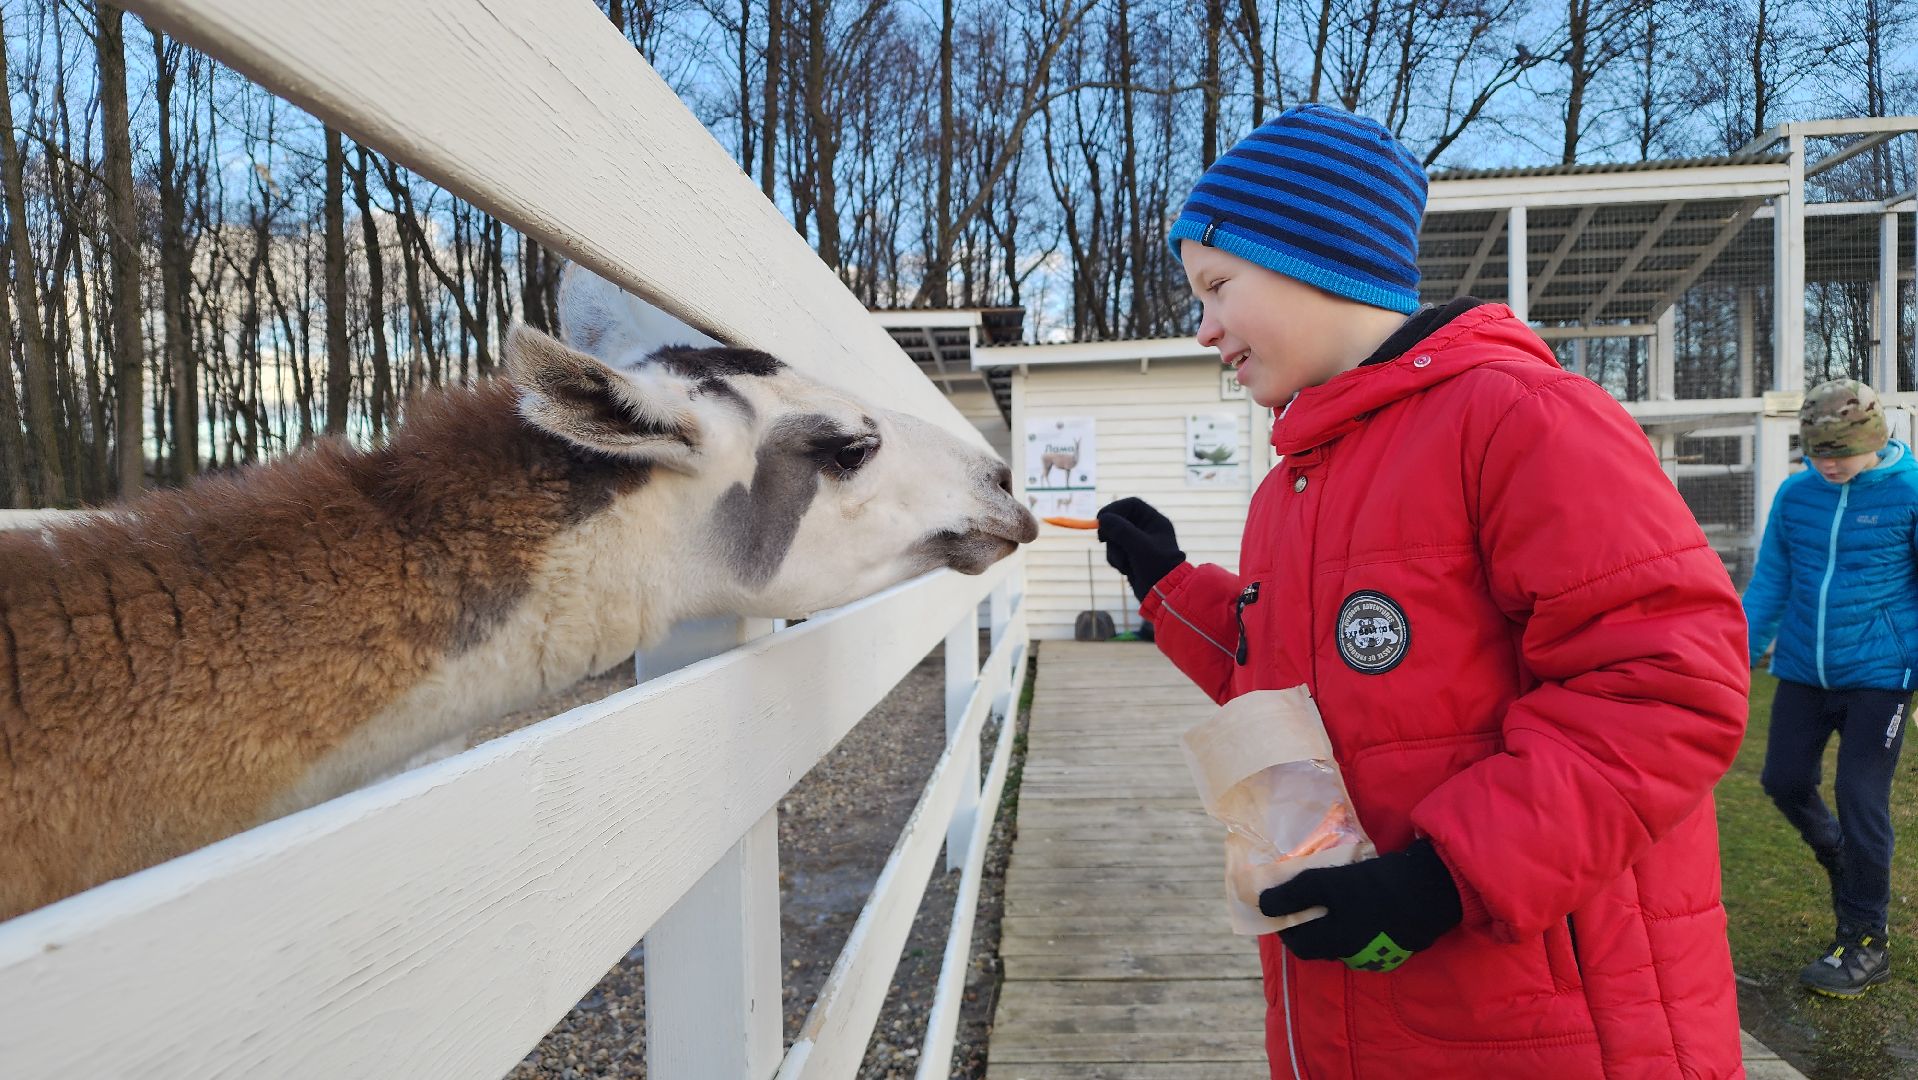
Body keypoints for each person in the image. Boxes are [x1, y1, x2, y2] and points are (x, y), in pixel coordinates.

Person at [1096, 103, 1750, 1077]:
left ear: (1312, 257)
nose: (1204, 329)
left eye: (1217, 287)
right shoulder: (1293, 483)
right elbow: (1280, 680)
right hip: (1366, 1012)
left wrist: (1447, 877)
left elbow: (1663, 686)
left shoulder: (1518, 419)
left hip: (1542, 1014)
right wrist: (1165, 583)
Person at [1743, 378, 1916, 998]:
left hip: (1880, 676)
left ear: (1875, 439)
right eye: (1819, 451)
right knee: (1783, 782)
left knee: (1860, 795)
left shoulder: (1911, 492)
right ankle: (1844, 862)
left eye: (1841, 450)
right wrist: (1726, 659)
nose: (1830, 463)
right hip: (1802, 670)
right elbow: (1769, 587)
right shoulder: (1796, 496)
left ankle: (1866, 940)